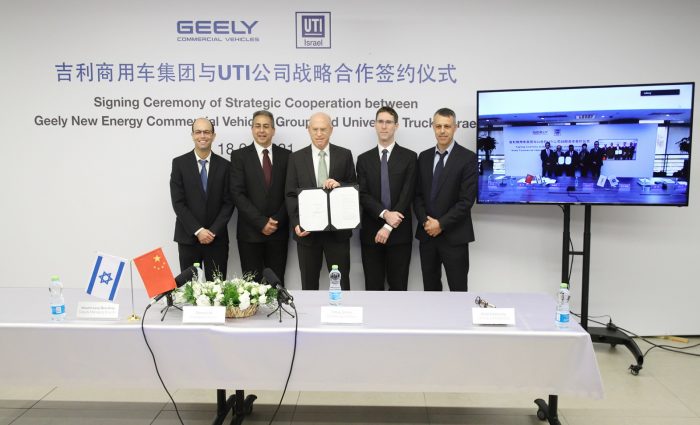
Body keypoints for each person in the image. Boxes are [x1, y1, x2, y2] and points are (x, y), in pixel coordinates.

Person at [285, 112, 357, 290]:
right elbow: (290, 194)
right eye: (315, 129)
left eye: (323, 129)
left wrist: (340, 185)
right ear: (308, 130)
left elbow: (354, 188)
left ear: (331, 130)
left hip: (338, 234)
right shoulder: (296, 158)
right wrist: (297, 223)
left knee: (341, 284)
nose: (319, 134)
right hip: (307, 233)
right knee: (309, 285)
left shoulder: (345, 155)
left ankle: (341, 308)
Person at [413, 108, 477, 292]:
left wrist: (440, 224)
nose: (442, 131)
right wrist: (426, 222)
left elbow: (466, 201)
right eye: (438, 126)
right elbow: (417, 195)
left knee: (458, 290)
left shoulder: (468, 158)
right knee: (430, 290)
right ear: (433, 127)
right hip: (428, 236)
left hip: (454, 236)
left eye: (447, 126)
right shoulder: (424, 157)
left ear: (455, 128)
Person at [356, 107, 417, 291]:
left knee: (399, 288)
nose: (384, 126)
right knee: (373, 288)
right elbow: (362, 194)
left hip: (399, 234)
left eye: (388, 122)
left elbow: (407, 194)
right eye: (380, 122)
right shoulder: (363, 159)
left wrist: (389, 225)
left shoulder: (410, 157)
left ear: (396, 126)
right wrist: (384, 214)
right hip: (371, 234)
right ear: (375, 125)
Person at [230, 110, 291, 285]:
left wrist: (275, 221)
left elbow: (290, 193)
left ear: (273, 130)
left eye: (266, 126)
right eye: (257, 126)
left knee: (276, 285)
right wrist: (261, 222)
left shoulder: (287, 156)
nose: (261, 130)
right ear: (252, 129)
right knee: (251, 288)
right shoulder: (239, 156)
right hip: (250, 233)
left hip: (278, 232)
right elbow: (237, 193)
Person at [170, 118, 234, 281]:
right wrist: (199, 231)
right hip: (189, 238)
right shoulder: (179, 164)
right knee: (190, 290)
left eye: (206, 132)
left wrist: (212, 231)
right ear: (192, 135)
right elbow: (178, 203)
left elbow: (228, 203)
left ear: (213, 135)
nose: (202, 136)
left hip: (216, 240)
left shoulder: (225, 166)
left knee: (217, 290)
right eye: (198, 132)